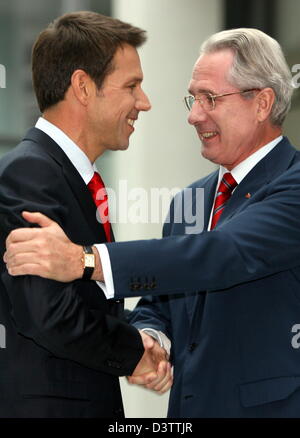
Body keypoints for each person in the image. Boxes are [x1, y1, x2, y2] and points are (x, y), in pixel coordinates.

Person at [4, 27, 300, 417]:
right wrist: (149, 337)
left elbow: (220, 254)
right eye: (192, 99)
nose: (194, 115)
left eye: (209, 98)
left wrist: (85, 261)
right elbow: (162, 298)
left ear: (262, 103)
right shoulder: (188, 202)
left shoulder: (292, 187)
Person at [0, 11, 173, 418]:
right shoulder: (31, 174)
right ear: (82, 87)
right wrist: (135, 353)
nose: (143, 103)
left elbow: (87, 305)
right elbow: (49, 313)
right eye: (132, 86)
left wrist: (147, 339)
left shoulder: (65, 176)